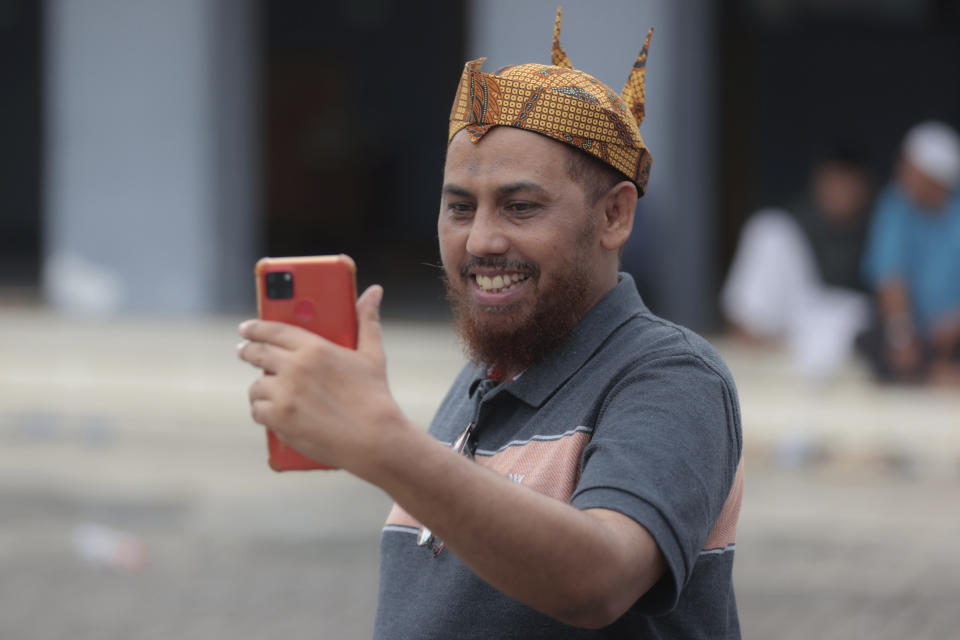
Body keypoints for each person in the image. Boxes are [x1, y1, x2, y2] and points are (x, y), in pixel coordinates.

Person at [237, 9, 743, 638]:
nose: (480, 240)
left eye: (521, 207)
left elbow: (600, 579)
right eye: (458, 208)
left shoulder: (672, 376)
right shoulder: (482, 380)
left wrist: (387, 442)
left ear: (614, 216)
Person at [721, 149, 874, 380]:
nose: (839, 192)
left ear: (863, 188)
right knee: (768, 228)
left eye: (847, 184)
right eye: (832, 182)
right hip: (796, 314)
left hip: (841, 321)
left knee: (844, 320)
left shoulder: (878, 225)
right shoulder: (800, 218)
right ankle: (749, 336)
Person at [860, 121, 960, 386]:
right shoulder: (895, 205)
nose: (902, 173)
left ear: (935, 178)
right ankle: (934, 376)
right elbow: (890, 277)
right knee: (874, 341)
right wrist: (902, 335)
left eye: (911, 169)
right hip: (915, 334)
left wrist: (954, 324)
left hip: (953, 331)